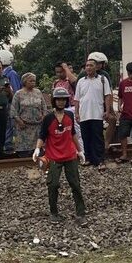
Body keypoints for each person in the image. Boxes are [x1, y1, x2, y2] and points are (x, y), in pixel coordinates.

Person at [33, 88, 87, 225]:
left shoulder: (70, 115)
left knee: (75, 184)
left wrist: (79, 151)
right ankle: (54, 212)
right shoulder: (48, 118)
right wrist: (37, 149)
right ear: (54, 100)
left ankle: (81, 213)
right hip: (54, 156)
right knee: (53, 184)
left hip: (70, 155)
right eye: (58, 99)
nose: (61, 102)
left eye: (63, 99)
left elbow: (73, 134)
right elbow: (42, 135)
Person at [74, 59, 112, 170]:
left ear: (96, 67)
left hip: (97, 114)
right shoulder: (81, 81)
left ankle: (100, 160)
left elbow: (107, 96)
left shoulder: (102, 80)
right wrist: (76, 113)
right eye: (87, 66)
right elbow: (77, 99)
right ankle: (89, 158)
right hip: (84, 114)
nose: (88, 67)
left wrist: (108, 111)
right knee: (86, 137)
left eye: (91, 65)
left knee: (98, 137)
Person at [10, 73, 46, 158]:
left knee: (38, 151)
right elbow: (13, 109)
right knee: (24, 153)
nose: (33, 82)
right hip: (24, 126)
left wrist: (44, 116)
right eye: (31, 81)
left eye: (34, 81)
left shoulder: (38, 92)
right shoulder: (18, 94)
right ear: (24, 81)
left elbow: (44, 106)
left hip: (37, 125)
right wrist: (19, 121)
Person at [0, 49, 21, 153]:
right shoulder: (5, 73)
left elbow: (15, 91)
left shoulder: (11, 73)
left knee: (10, 125)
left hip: (11, 104)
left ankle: (8, 146)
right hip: (6, 103)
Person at [53, 62, 82, 153]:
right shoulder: (56, 83)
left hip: (72, 108)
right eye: (57, 72)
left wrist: (66, 68)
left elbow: (75, 81)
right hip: (61, 110)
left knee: (76, 132)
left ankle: (80, 151)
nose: (59, 74)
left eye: (61, 72)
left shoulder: (69, 80)